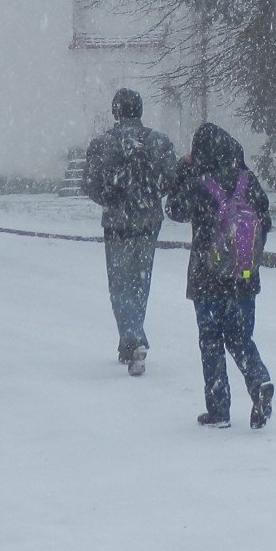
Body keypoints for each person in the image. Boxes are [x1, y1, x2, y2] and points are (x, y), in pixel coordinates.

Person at [166, 122, 275, 429]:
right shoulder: (247, 179)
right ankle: (259, 381)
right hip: (244, 276)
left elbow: (173, 209)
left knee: (211, 340)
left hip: (207, 276)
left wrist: (182, 171)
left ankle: (219, 410)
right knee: (241, 338)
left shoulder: (199, 183)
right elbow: (265, 219)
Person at [81, 88, 177, 375]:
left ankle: (133, 339)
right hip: (148, 221)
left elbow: (90, 184)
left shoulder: (103, 144)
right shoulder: (158, 142)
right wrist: (151, 195)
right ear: (140, 110)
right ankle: (130, 341)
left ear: (115, 111)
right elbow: (170, 179)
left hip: (117, 224)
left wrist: (113, 199)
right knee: (140, 283)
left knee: (120, 285)